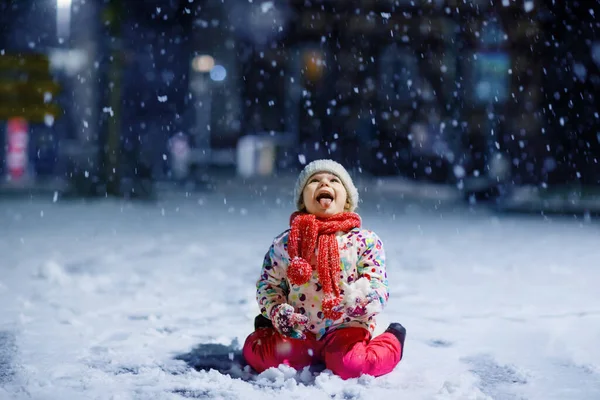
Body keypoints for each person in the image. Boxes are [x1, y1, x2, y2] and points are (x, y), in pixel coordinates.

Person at [242, 159, 406, 379]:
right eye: (314, 180)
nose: (324, 183)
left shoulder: (364, 241)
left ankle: (393, 338)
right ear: (303, 201)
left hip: (346, 325)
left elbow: (377, 282)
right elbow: (269, 284)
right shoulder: (286, 242)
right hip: (300, 328)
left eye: (334, 180)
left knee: (351, 366)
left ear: (347, 201)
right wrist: (276, 310)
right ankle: (265, 329)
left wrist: (363, 301)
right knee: (266, 359)